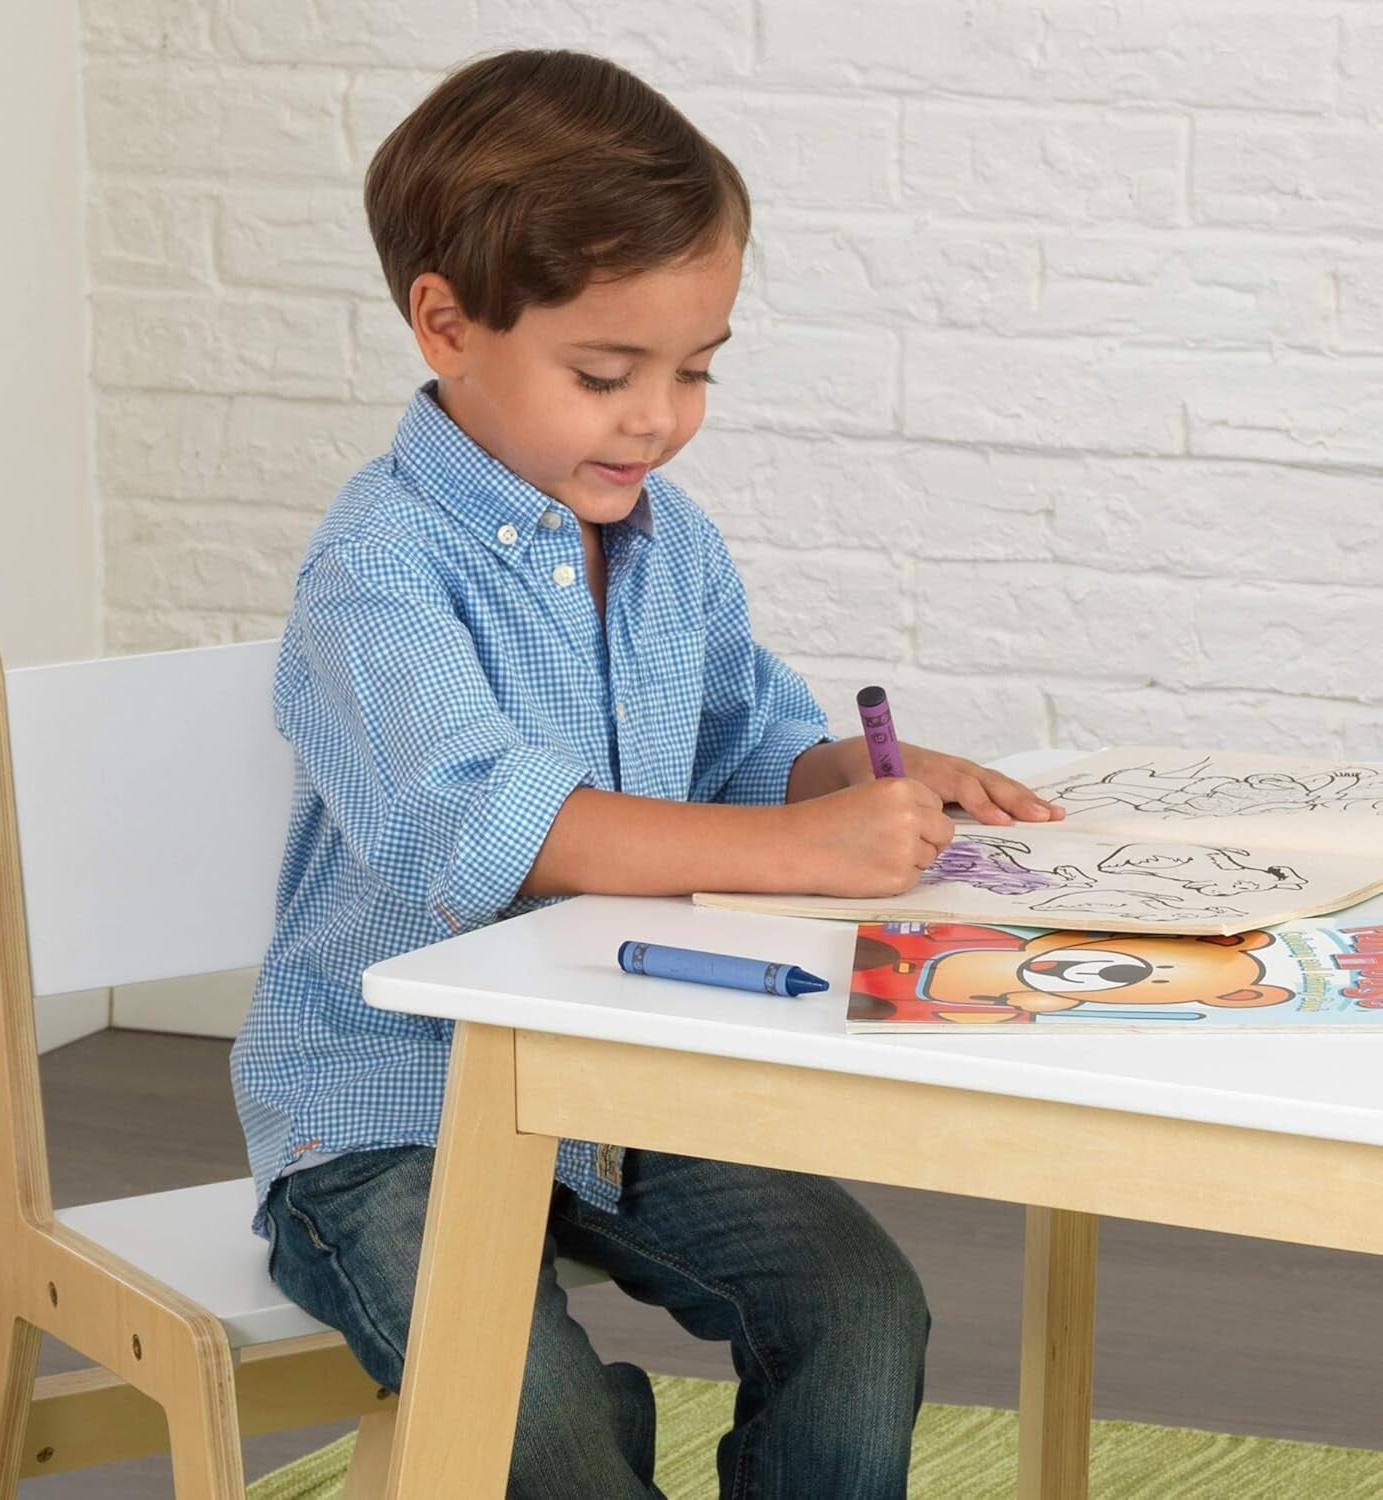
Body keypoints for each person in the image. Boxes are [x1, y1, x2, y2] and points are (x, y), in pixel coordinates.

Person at [231, 47, 1062, 1499]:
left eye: (693, 372)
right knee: (539, 1413)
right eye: (605, 374)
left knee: (858, 1312)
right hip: (381, 1121)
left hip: (612, 1086)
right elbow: (488, 827)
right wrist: (810, 856)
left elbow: (749, 748)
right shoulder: (376, 575)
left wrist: (866, 779)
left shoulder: (669, 547)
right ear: (445, 323)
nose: (658, 418)